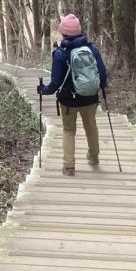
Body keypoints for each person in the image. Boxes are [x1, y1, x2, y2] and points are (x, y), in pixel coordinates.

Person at [38, 13, 108, 176]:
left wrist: (43, 90)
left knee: (69, 130)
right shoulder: (92, 49)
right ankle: (94, 157)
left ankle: (69, 166)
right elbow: (102, 74)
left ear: (63, 32)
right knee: (91, 126)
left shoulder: (60, 53)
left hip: (68, 100)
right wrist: (101, 87)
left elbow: (55, 83)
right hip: (90, 98)